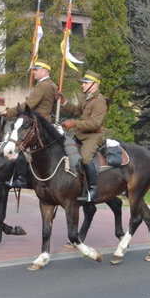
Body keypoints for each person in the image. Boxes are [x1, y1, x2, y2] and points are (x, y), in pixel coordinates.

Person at [1, 59, 60, 188]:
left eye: (36, 70)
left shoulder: (42, 86)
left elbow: (28, 105)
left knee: (19, 144)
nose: (34, 72)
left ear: (45, 71)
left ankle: (21, 178)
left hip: (37, 123)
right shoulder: (52, 85)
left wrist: (9, 112)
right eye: (33, 69)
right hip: (46, 122)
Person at [60, 70, 108, 203]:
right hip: (80, 133)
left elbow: (94, 123)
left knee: (86, 158)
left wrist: (74, 123)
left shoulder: (99, 101)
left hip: (93, 136)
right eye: (83, 83)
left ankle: (93, 190)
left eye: (86, 83)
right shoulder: (87, 99)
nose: (83, 85)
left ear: (95, 84)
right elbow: (76, 111)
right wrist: (64, 101)